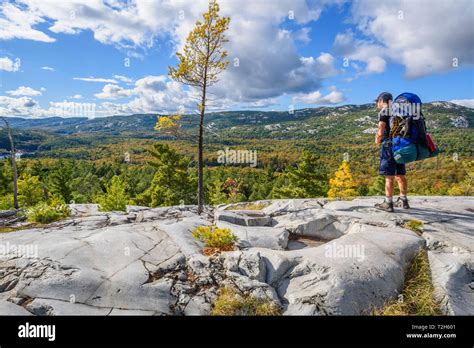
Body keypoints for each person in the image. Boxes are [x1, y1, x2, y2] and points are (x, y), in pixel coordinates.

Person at [374, 92, 410, 212]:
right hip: (400, 145)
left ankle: (388, 203)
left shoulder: (384, 111)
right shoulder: (399, 110)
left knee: (389, 176)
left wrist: (378, 140)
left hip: (388, 146)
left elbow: (380, 130)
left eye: (377, 102)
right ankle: (403, 200)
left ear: (381, 100)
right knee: (400, 174)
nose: (377, 105)